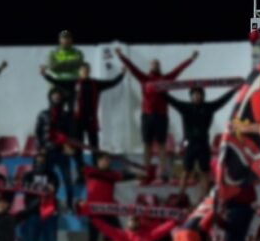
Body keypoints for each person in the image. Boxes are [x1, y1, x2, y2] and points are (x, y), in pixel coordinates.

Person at [116, 49, 199, 181]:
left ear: (159, 66)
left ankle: (163, 171)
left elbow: (178, 69)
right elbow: (132, 67)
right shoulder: (143, 78)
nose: (155, 66)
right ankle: (146, 170)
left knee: (162, 144)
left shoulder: (166, 79)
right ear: (150, 66)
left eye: (157, 64)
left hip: (161, 115)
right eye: (153, 64)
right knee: (147, 144)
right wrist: (121, 56)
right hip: (147, 115)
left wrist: (191, 59)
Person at [165, 86, 237, 195]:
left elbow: (222, 100)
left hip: (203, 144)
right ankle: (180, 196)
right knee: (186, 171)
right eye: (194, 95)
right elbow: (172, 101)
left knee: (205, 172)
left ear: (202, 96)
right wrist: (158, 91)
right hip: (190, 144)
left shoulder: (208, 107)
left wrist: (234, 90)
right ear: (191, 96)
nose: (196, 97)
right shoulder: (185, 107)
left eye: (199, 94)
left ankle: (205, 197)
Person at [44, 61, 125, 152]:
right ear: (79, 71)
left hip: (91, 119)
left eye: (87, 70)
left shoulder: (95, 84)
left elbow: (111, 83)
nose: (85, 72)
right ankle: (79, 161)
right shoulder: (74, 83)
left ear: (89, 71)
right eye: (83, 70)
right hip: (77, 120)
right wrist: (45, 75)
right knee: (78, 144)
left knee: (94, 144)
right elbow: (58, 82)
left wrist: (121, 74)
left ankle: (95, 160)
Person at [43, 30, 85, 95]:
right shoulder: (53, 53)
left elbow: (79, 65)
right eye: (64, 38)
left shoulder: (78, 53)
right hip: (56, 84)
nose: (66, 40)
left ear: (71, 39)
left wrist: (59, 65)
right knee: (56, 101)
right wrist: (71, 64)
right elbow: (53, 67)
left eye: (68, 38)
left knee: (74, 101)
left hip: (72, 84)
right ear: (60, 40)